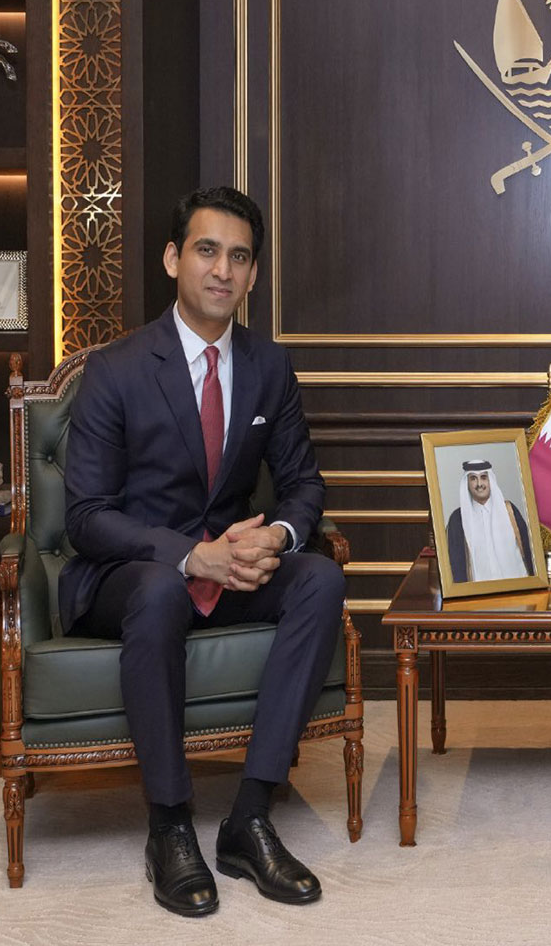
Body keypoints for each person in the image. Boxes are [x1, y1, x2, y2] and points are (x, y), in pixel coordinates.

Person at [62, 186, 345, 918]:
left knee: (318, 577)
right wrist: (193, 556)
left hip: (234, 570)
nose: (223, 270)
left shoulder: (267, 367)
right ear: (173, 259)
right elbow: (86, 517)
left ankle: (249, 819)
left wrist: (274, 538)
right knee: (159, 589)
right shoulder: (116, 370)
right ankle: (170, 825)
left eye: (240, 257)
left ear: (253, 277)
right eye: (207, 250)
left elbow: (303, 485)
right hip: (133, 579)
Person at [445, 459, 536, 582]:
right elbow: (454, 563)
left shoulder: (509, 511)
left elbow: (530, 551)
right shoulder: (457, 519)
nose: (479, 484)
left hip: (517, 590)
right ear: (467, 483)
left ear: (490, 480)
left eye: (483, 477)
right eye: (473, 479)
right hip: (479, 595)